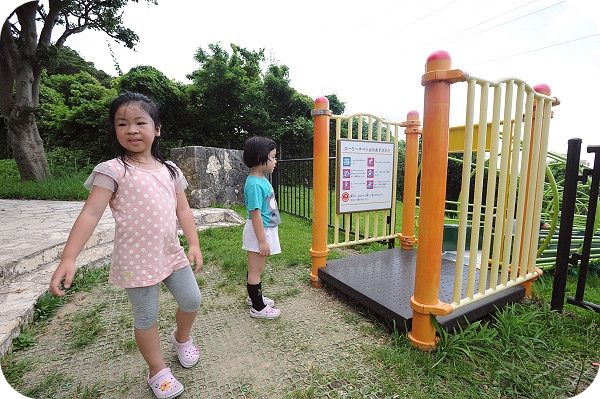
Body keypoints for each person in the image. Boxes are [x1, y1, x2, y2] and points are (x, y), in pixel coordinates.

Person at [49, 92, 203, 399]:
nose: (131, 129)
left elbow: (182, 210)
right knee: (146, 317)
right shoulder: (113, 170)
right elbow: (90, 213)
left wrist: (194, 243)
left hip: (171, 253)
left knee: (192, 301)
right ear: (115, 131)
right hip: (136, 261)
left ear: (156, 129)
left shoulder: (171, 170)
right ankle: (157, 370)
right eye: (122, 124)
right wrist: (69, 257)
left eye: (139, 122)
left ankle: (181, 338)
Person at [242, 136, 282, 319]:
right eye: (272, 157)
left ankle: (254, 297)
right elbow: (255, 213)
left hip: (264, 230)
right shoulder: (254, 184)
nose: (275, 161)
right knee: (255, 270)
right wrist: (262, 241)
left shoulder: (261, 180)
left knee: (256, 269)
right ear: (260, 158)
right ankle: (258, 307)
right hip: (260, 231)